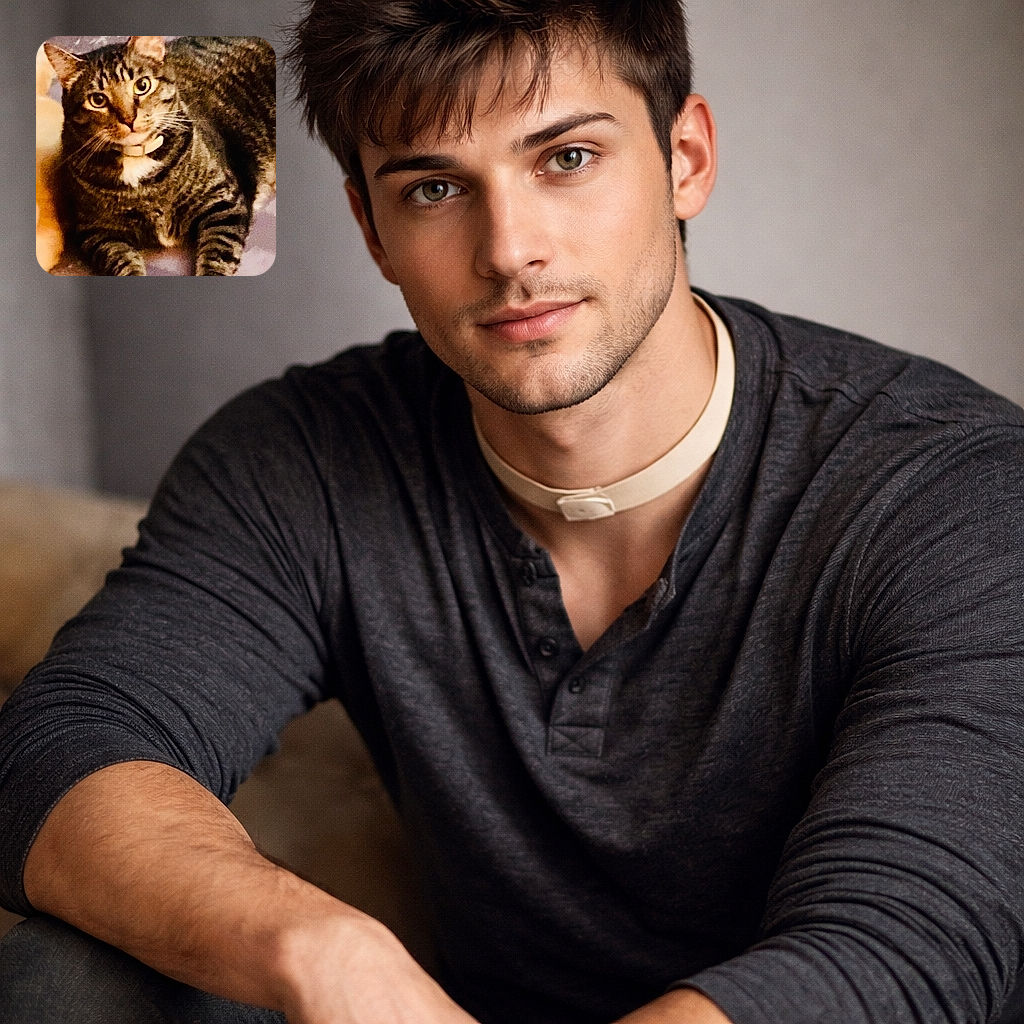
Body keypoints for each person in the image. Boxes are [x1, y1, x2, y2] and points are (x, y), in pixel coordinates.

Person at [1, 0, 1022, 1021]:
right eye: (435, 187)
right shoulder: (303, 453)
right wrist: (325, 951)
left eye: (566, 158)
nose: (507, 248)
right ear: (373, 230)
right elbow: (64, 747)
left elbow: (913, 939)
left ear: (686, 160)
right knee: (72, 978)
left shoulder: (948, 484)